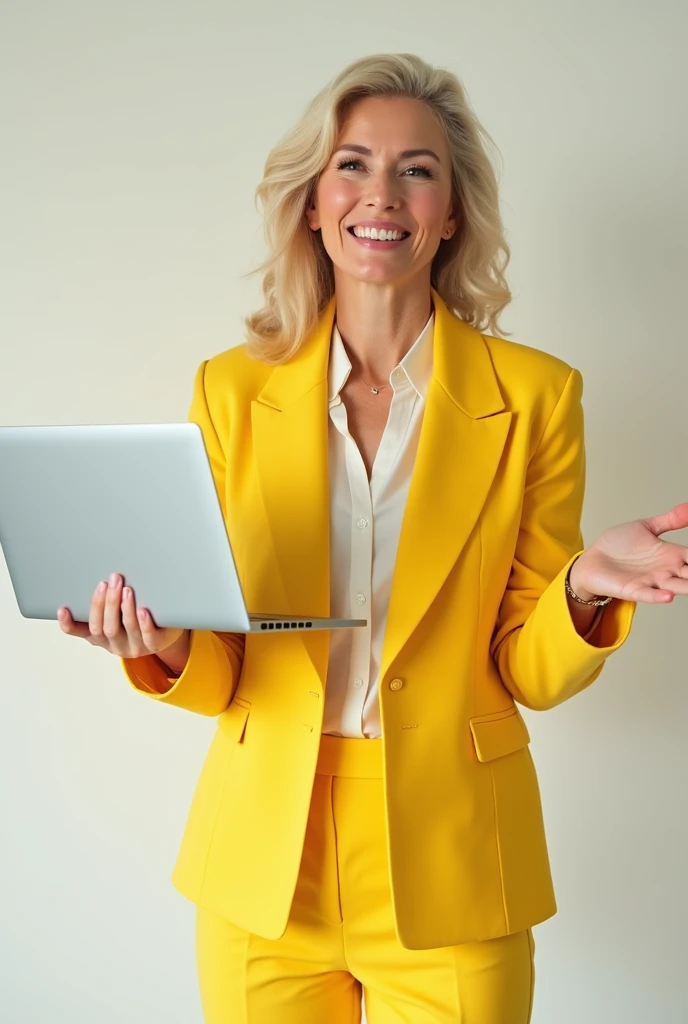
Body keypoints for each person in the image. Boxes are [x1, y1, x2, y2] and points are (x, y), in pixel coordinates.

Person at [57, 53, 688, 1024]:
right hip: (263, 869)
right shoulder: (230, 391)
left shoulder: (536, 397)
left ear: (452, 211)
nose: (380, 193)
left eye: (416, 170)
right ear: (312, 203)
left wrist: (580, 592)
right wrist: (162, 642)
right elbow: (227, 664)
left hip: (453, 862)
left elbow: (528, 669)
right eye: (351, 164)